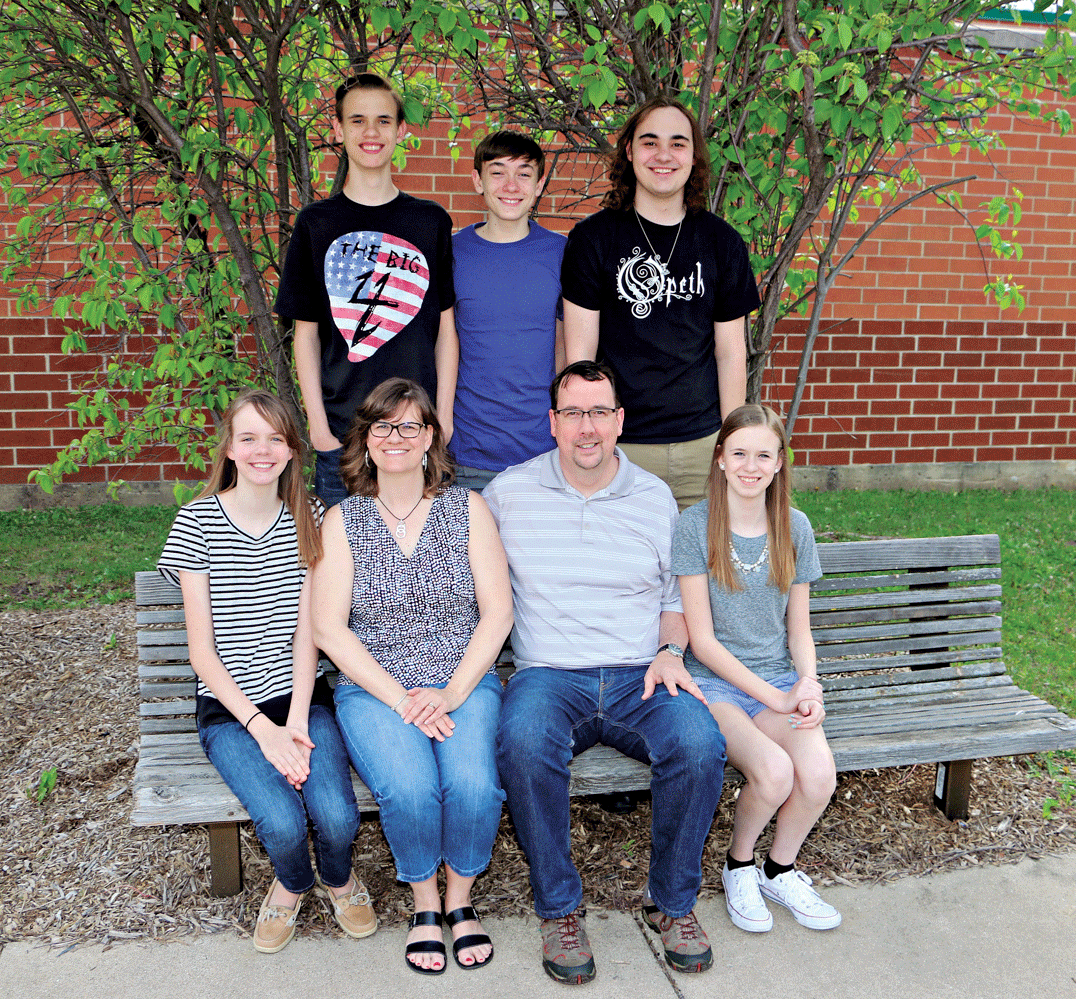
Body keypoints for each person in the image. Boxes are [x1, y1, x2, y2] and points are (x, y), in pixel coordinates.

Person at [485, 360, 726, 985]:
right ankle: (560, 911)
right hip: (548, 674)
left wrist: (671, 653)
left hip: (638, 674)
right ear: (552, 423)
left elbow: (677, 600)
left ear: (619, 421)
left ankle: (672, 904)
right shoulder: (509, 494)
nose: (585, 427)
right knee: (522, 742)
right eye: (572, 413)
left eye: (598, 412)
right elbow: (467, 584)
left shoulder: (654, 498)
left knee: (700, 745)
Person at [157, 389, 374, 954]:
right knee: (280, 824)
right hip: (232, 714)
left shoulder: (312, 519)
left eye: (276, 438)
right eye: (248, 437)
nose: (262, 450)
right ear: (229, 448)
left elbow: (311, 633)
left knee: (336, 816)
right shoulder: (197, 522)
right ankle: (294, 883)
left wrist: (297, 721)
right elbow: (202, 655)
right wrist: (265, 731)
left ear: (292, 450)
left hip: (302, 700)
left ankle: (340, 878)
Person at [311, 377, 512, 975]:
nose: (395, 437)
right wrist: (402, 698)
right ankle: (424, 903)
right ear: (366, 443)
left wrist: (448, 691)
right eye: (382, 426)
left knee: (474, 788)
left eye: (409, 426)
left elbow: (498, 612)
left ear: (430, 438)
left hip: (463, 679)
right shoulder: (344, 521)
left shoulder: (467, 509)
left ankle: (460, 900)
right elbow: (329, 629)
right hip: (374, 689)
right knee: (412, 790)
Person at [671, 403, 841, 934]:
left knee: (817, 777)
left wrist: (806, 682)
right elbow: (702, 640)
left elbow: (799, 630)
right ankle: (739, 865)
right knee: (773, 773)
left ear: (779, 463)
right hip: (715, 685)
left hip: (777, 681)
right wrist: (778, 697)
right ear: (720, 458)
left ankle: (778, 869)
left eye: (763, 455)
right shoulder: (694, 525)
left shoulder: (796, 527)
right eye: (739, 453)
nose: (750, 466)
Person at [561, 95, 761, 511]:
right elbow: (580, 356)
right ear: (630, 152)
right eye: (650, 142)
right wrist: (585, 434)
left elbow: (730, 352)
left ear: (693, 157)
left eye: (678, 143)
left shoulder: (722, 242)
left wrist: (733, 440)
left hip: (702, 445)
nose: (664, 155)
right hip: (622, 447)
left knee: (704, 571)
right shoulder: (592, 238)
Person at [275, 72, 458, 506]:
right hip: (344, 434)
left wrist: (443, 419)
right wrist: (318, 428)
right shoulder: (316, 224)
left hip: (418, 433)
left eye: (383, 120)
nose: (370, 132)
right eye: (357, 120)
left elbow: (446, 330)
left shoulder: (430, 221)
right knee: (344, 565)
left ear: (401, 131)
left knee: (421, 566)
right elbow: (306, 334)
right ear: (338, 130)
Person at [451, 129, 565, 491]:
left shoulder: (561, 254)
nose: (511, 185)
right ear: (477, 181)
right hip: (468, 455)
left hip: (544, 455)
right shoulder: (452, 252)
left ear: (539, 184)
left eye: (524, 173)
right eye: (498, 171)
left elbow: (568, 351)